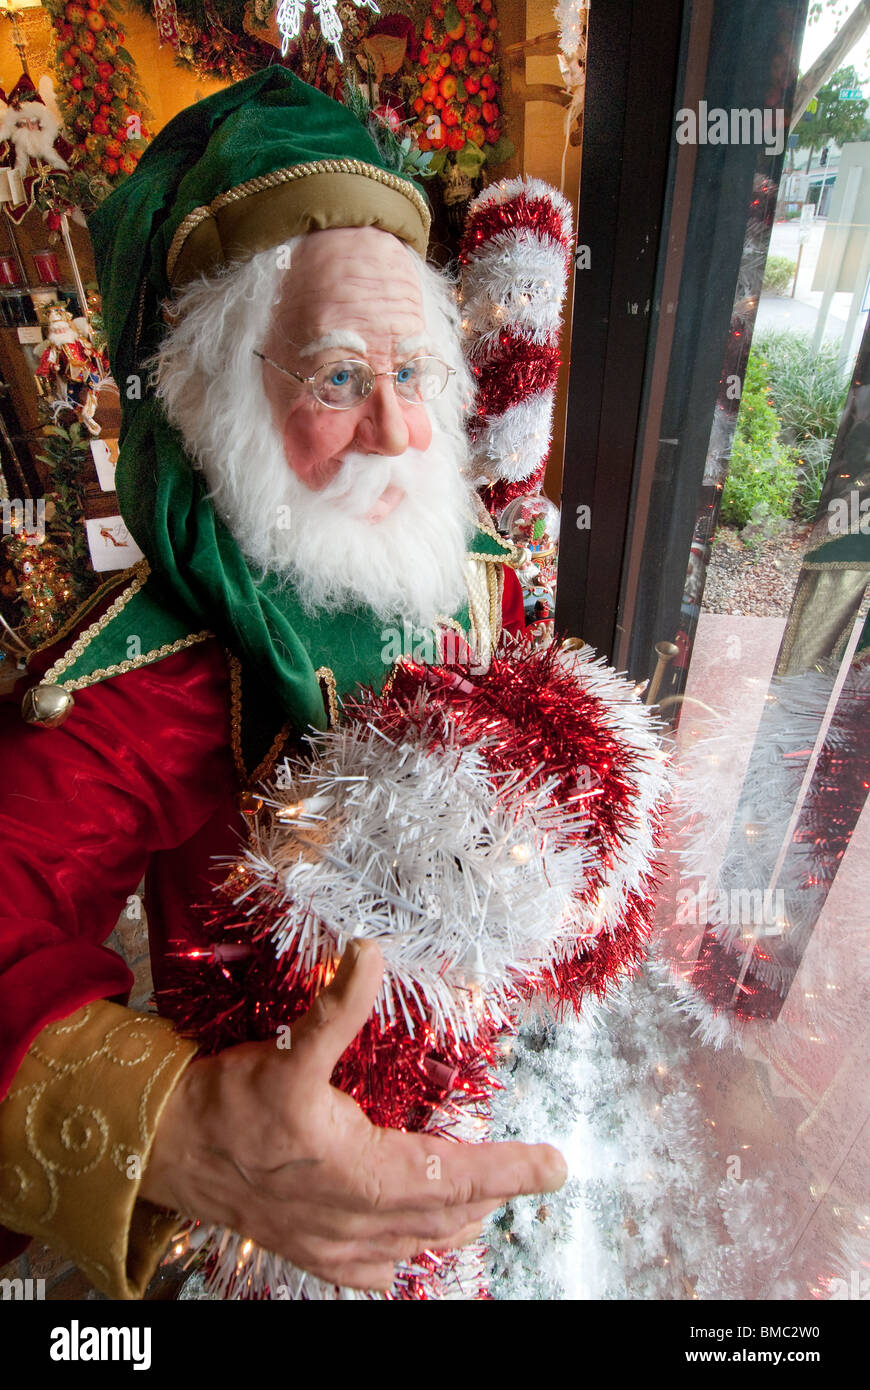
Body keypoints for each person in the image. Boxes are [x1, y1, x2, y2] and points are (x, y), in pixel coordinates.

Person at [0, 67, 566, 1299]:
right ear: (217, 396)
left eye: (413, 374)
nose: (400, 437)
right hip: (275, 1230)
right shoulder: (157, 669)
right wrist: (188, 1131)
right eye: (336, 377)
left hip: (458, 1080)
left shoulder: (470, 566)